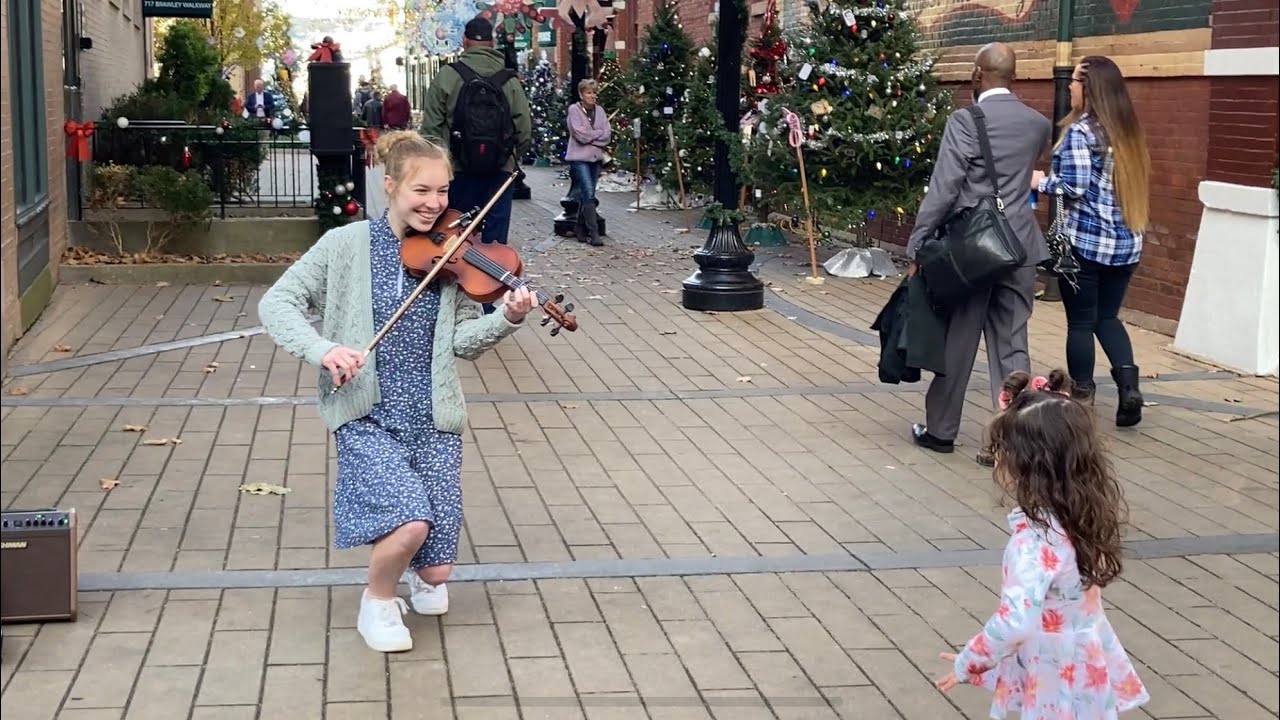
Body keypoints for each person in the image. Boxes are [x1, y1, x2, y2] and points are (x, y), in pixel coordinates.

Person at [257, 131, 537, 653]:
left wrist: (509, 317)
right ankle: (377, 601)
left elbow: (464, 343)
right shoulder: (344, 247)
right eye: (421, 191)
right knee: (408, 524)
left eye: (443, 192)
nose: (435, 205)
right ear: (390, 186)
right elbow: (278, 305)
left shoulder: (455, 256)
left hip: (432, 414)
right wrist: (323, 350)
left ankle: (418, 578)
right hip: (366, 411)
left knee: (439, 571)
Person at [935, 370, 1150, 718]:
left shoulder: (1036, 540)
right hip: (1080, 661)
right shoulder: (1079, 514)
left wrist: (971, 660)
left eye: (1000, 449)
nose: (997, 459)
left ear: (1028, 462)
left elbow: (1014, 622)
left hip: (1052, 673)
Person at [904, 43, 1052, 458]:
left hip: (972, 250)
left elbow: (944, 188)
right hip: (1019, 246)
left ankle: (941, 431)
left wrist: (918, 243)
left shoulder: (965, 120)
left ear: (976, 76)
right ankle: (1012, 444)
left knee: (959, 340)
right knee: (1012, 344)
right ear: (1014, 77)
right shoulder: (1038, 124)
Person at [1032, 56, 1150, 427]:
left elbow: (1074, 186)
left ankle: (1082, 399)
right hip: (1127, 244)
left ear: (1090, 88)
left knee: (1081, 324)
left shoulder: (1082, 132)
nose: (1069, 86)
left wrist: (1039, 182)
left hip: (1086, 246)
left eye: (1076, 81)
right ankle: (1129, 388)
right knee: (1108, 317)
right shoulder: (1127, 131)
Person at [420, 16, 532, 250]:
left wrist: (443, 164)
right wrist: (510, 157)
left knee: (456, 234)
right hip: (500, 171)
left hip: (458, 170)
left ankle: (455, 282)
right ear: (492, 43)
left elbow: (431, 129)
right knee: (495, 241)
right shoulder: (510, 81)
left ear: (464, 41)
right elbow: (524, 128)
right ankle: (491, 282)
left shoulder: (447, 76)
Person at [565, 78, 611, 246]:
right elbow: (580, 135)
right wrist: (596, 135)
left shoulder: (600, 111)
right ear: (581, 94)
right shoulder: (574, 110)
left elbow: (607, 135)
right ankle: (594, 233)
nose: (592, 96)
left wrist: (593, 137)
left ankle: (579, 227)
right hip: (579, 159)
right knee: (588, 192)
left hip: (595, 159)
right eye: (589, 93)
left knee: (587, 193)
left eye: (594, 93)